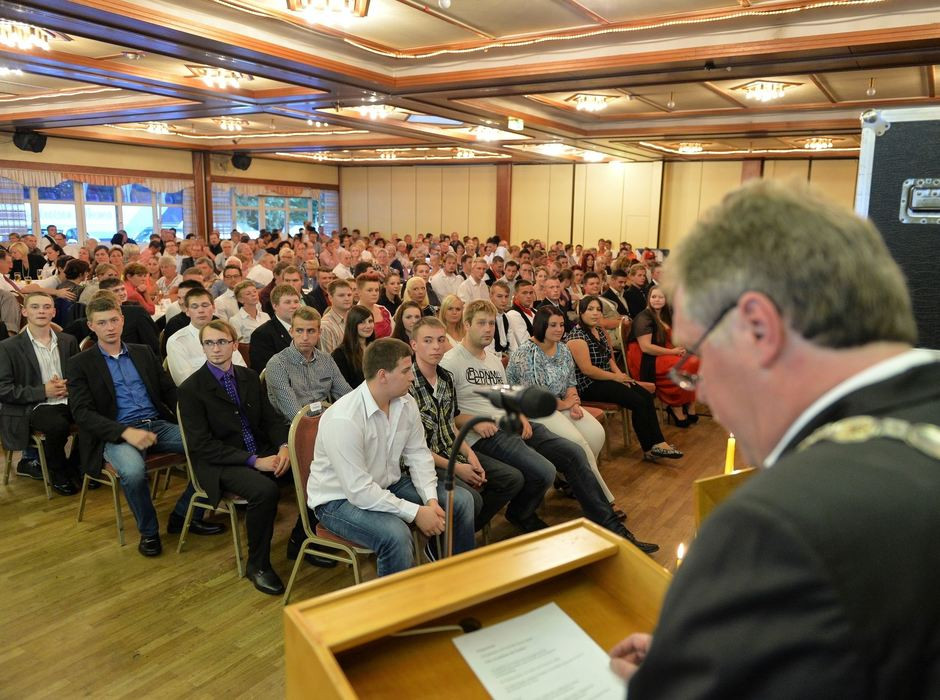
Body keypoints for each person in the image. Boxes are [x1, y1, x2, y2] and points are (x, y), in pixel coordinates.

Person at [610, 180, 940, 699]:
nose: (703, 394)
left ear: (758, 329)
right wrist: (738, 651)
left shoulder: (778, 528)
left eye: (697, 357)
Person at [440, 300, 658, 552]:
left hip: (511, 423)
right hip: (484, 434)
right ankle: (521, 512)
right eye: (481, 323)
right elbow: (448, 415)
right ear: (466, 325)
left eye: (491, 323)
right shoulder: (451, 361)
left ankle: (613, 529)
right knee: (543, 470)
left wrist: (517, 414)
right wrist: (479, 422)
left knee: (573, 452)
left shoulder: (491, 359)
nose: (488, 329)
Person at [67, 295, 223, 557]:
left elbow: (169, 392)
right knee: (134, 471)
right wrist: (125, 432)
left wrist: (194, 419)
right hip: (116, 432)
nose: (110, 327)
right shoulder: (80, 363)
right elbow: (83, 414)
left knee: (214, 448)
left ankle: (185, 514)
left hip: (157, 424)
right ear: (91, 326)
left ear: (122, 320)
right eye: (102, 323)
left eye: (114, 320)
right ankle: (149, 532)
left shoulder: (142, 352)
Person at [308, 338, 476, 576]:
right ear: (383, 375)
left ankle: (457, 578)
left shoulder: (405, 402)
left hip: (386, 483)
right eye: (406, 370)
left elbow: (418, 455)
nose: (412, 377)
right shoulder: (344, 419)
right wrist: (416, 512)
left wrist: (430, 500)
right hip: (338, 500)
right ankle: (397, 608)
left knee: (460, 501)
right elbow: (359, 491)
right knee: (396, 535)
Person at [177, 319, 289, 595]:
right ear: (203, 347)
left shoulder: (248, 376)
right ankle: (258, 565)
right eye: (209, 343)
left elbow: (270, 419)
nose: (215, 348)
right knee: (264, 490)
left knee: (312, 469)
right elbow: (202, 446)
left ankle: (302, 541)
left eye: (222, 342)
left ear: (234, 344)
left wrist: (284, 445)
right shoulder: (191, 389)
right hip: (220, 462)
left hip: (258, 449)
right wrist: (255, 461)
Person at [409, 316, 524, 533]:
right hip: (426, 462)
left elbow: (451, 426)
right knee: (471, 499)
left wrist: (471, 457)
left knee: (512, 479)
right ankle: (445, 544)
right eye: (427, 340)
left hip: (452, 451)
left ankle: (460, 535)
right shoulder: (407, 384)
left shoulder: (446, 378)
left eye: (440, 340)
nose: (436, 346)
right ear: (414, 344)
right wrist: (458, 468)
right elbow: (413, 450)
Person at [506, 306, 622, 516]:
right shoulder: (526, 352)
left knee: (596, 433)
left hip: (560, 404)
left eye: (561, 325)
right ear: (541, 325)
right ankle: (604, 501)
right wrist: (566, 404)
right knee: (580, 445)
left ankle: (570, 478)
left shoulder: (563, 348)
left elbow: (570, 380)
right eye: (553, 325)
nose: (559, 329)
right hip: (533, 410)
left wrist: (574, 403)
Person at [566, 295, 681, 462]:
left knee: (645, 396)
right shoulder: (577, 336)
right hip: (589, 384)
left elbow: (609, 358)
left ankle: (658, 443)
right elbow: (588, 370)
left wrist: (621, 375)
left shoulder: (598, 330)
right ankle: (649, 448)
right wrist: (616, 377)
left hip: (607, 377)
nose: (595, 313)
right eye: (590, 309)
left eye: (598, 309)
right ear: (581, 313)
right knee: (638, 401)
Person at [0, 291, 81, 494]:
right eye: (35, 307)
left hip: (67, 399)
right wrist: (43, 390)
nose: (41, 311)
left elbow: (80, 376)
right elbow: (4, 389)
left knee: (95, 414)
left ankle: (77, 465)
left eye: (46, 307)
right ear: (25, 311)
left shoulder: (68, 341)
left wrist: (68, 385)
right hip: (34, 405)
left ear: (54, 312)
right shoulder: (8, 347)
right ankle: (58, 471)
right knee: (57, 425)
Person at [265, 307, 351, 423]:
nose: (305, 337)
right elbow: (295, 416)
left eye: (311, 331)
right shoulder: (277, 365)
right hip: (293, 429)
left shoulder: (326, 360)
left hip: (327, 421)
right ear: (291, 332)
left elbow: (347, 396)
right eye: (299, 331)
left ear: (319, 332)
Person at [627, 287, 698, 426]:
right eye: (654, 297)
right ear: (649, 298)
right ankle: (675, 407)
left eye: (661, 297)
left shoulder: (665, 315)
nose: (657, 300)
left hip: (663, 350)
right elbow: (646, 347)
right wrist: (673, 352)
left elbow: (672, 338)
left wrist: (683, 348)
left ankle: (689, 404)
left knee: (695, 361)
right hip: (645, 358)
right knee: (683, 366)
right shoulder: (644, 317)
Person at [166, 287, 247, 385]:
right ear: (187, 311)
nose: (201, 310)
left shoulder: (225, 334)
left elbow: (242, 370)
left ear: (213, 308)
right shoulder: (177, 341)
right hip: (200, 396)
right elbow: (184, 382)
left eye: (205, 305)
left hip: (234, 388)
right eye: (194, 306)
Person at [248, 285, 299, 373]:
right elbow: (266, 371)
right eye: (288, 302)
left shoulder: (305, 329)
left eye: (296, 301)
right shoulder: (262, 334)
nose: (294, 306)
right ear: (275, 306)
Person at [331, 305, 374, 387]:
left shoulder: (377, 348)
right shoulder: (340, 354)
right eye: (362, 322)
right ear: (352, 324)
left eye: (370, 321)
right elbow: (342, 387)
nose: (368, 326)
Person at [318, 278, 354, 355]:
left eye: (349, 295)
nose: (347, 298)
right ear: (330, 298)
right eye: (341, 295)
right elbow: (327, 360)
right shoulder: (325, 326)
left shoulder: (354, 318)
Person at [356, 272, 392, 339]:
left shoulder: (384, 310)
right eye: (370, 290)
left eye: (376, 290)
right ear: (359, 292)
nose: (374, 293)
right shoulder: (352, 314)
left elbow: (394, 333)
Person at [506, 279, 537, 350]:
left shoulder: (535, 311)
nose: (529, 296)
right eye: (524, 293)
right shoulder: (513, 314)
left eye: (531, 293)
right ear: (516, 295)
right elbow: (526, 343)